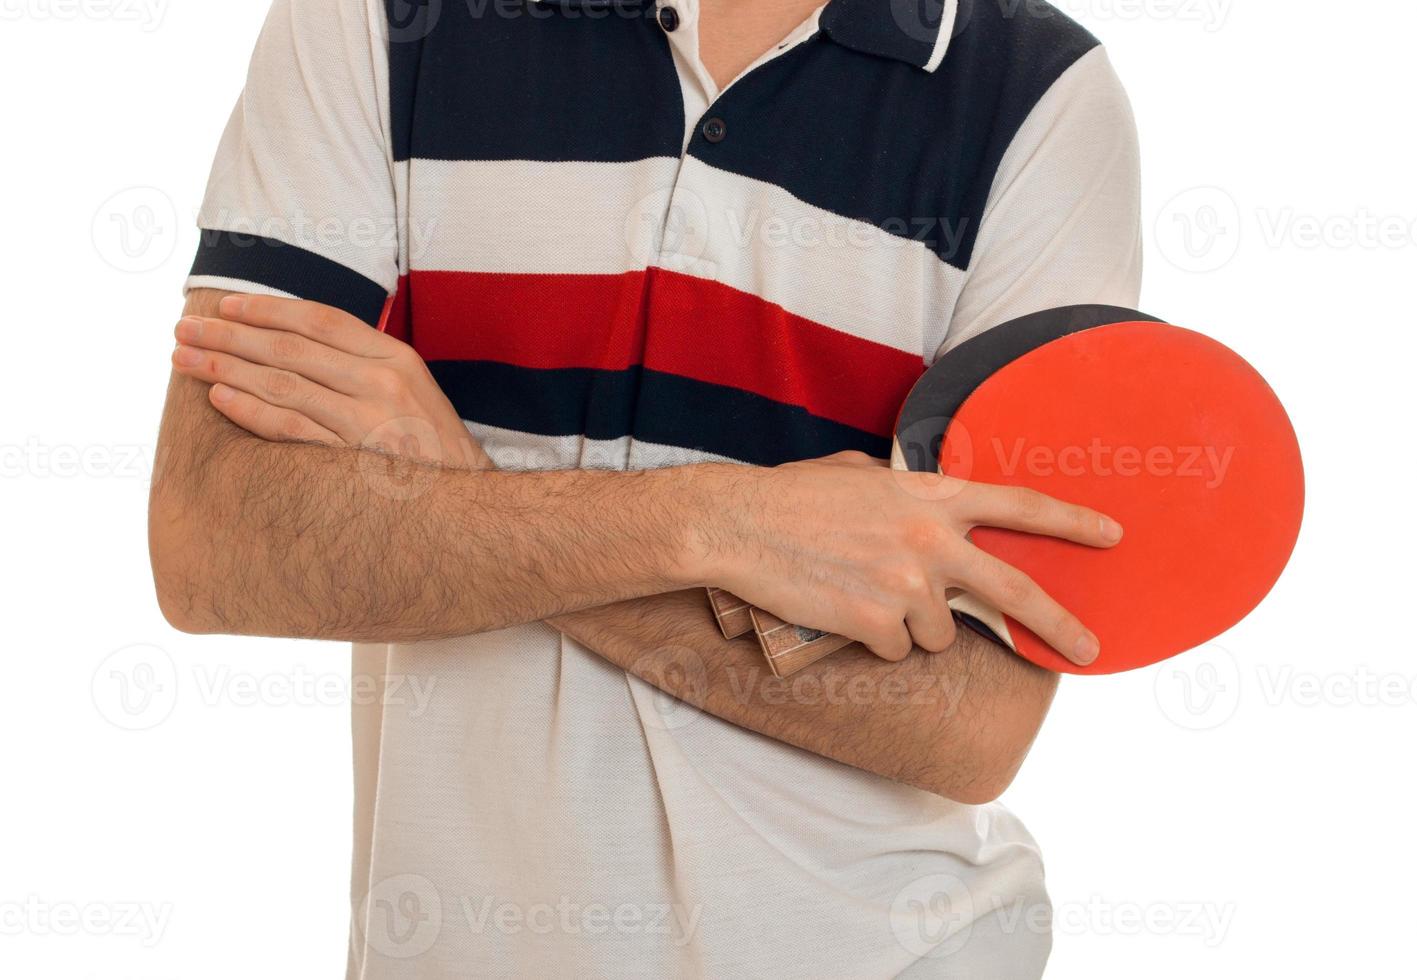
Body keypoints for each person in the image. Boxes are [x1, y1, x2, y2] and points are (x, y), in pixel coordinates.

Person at [149, 0, 1142, 974]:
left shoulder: (1043, 99)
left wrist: (454, 478)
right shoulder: (369, 19)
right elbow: (215, 542)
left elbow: (968, 717)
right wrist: (726, 525)